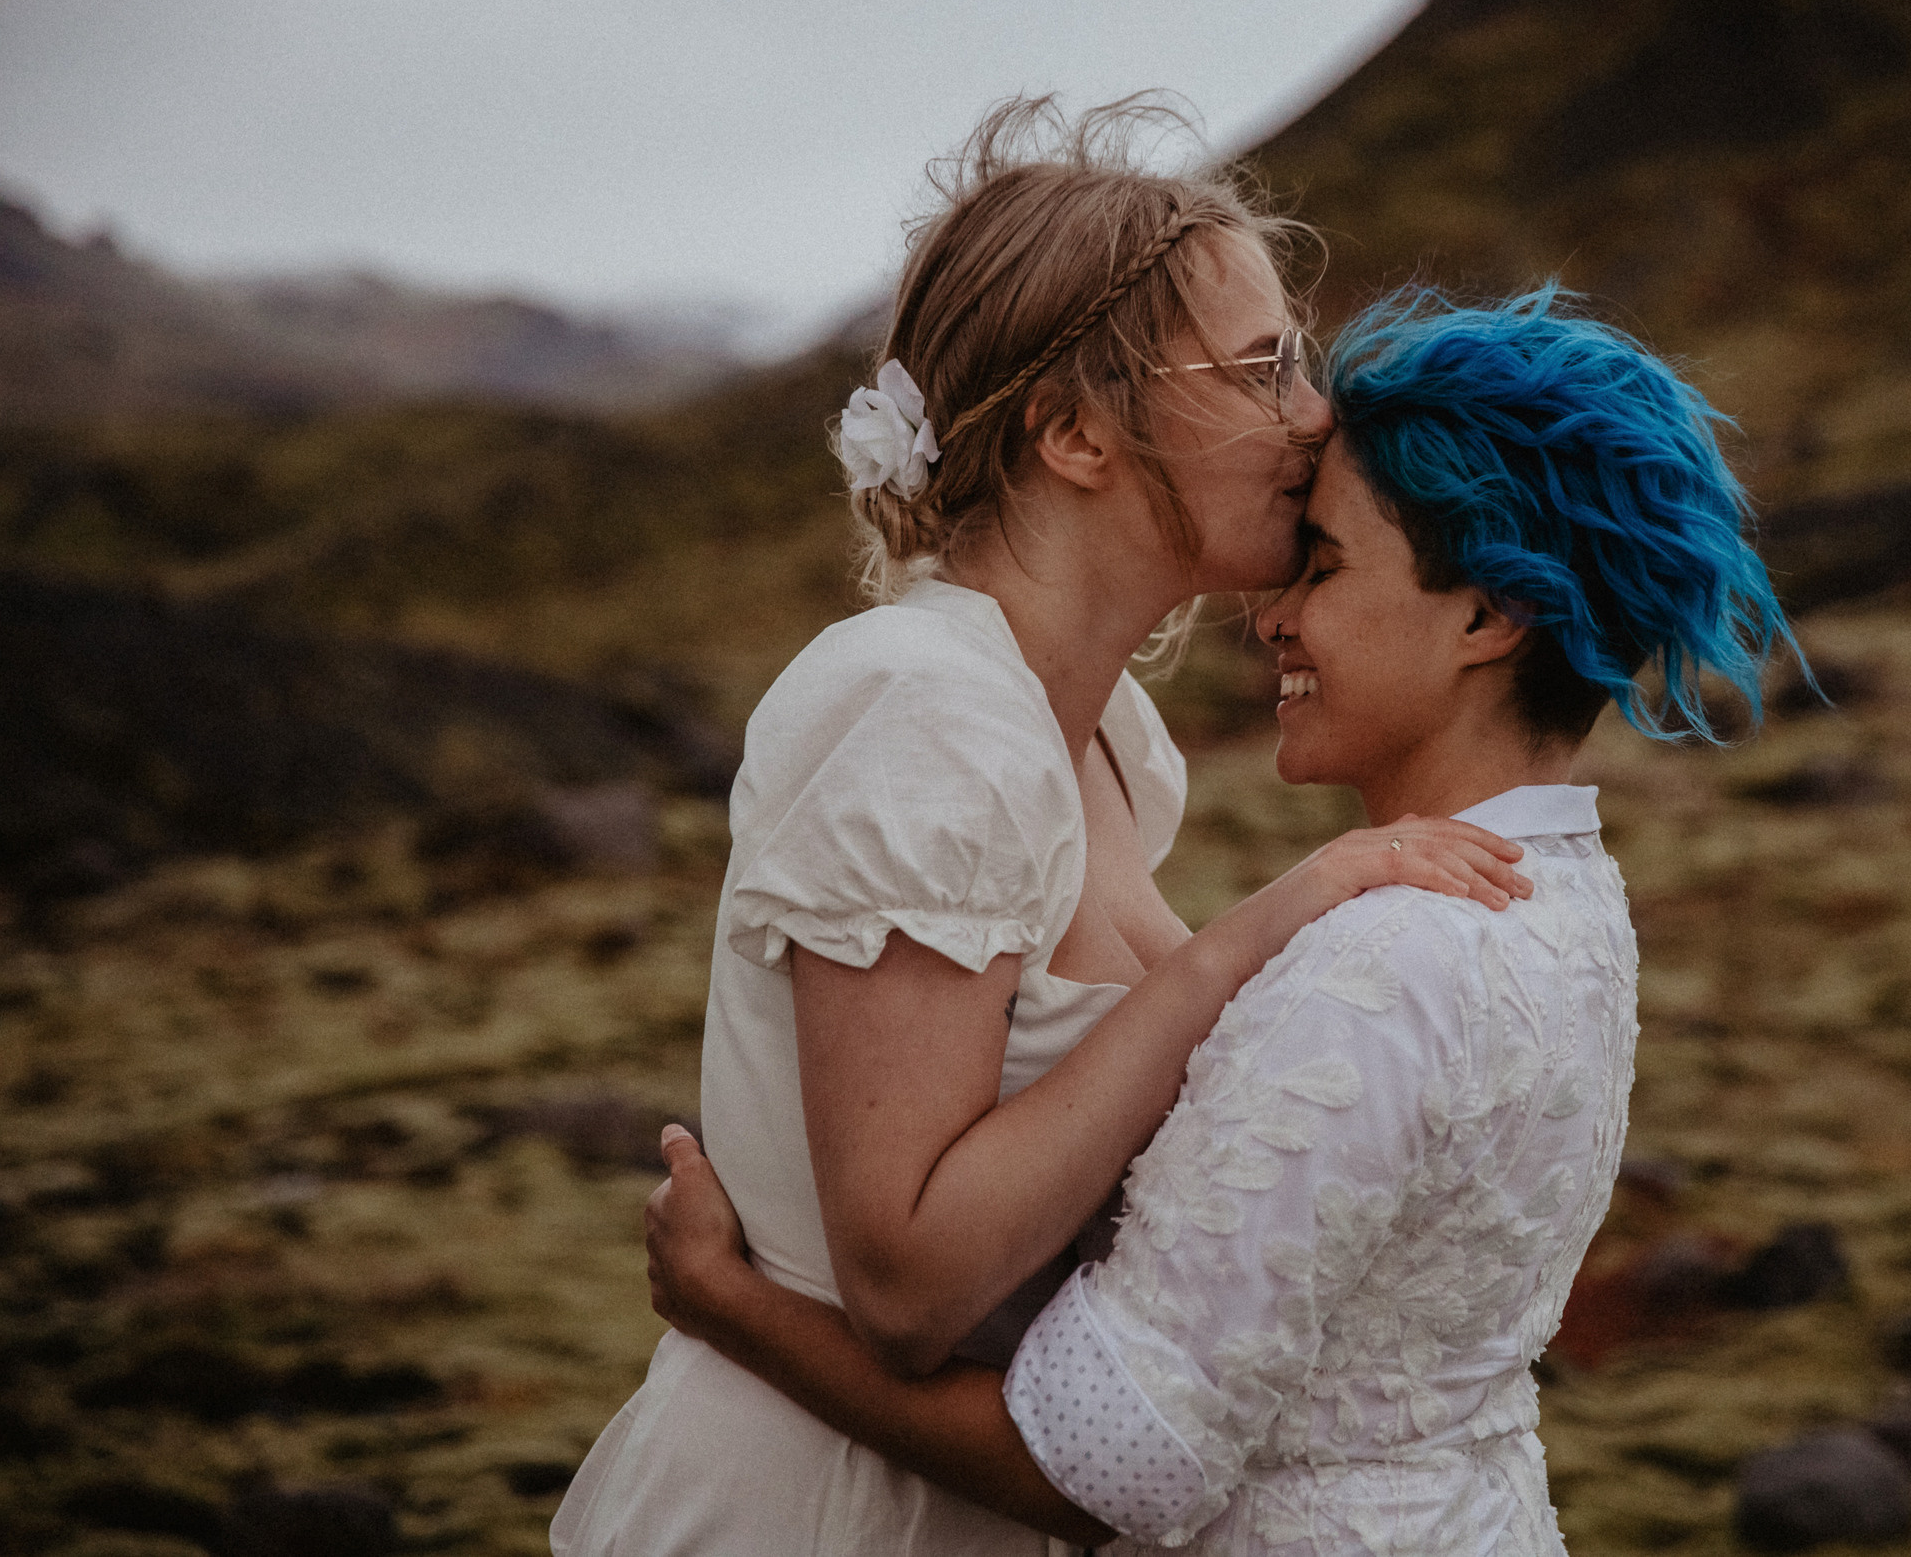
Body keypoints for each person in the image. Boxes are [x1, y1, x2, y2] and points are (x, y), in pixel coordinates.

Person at [640, 288, 1802, 1553]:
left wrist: (733, 1305)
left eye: (1327, 564)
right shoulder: (1572, 899)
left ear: (1484, 616)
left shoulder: (1381, 959)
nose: (1274, 613)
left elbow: (1104, 1468)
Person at [550, 102, 1532, 1557]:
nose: (1316, 415)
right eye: (1263, 368)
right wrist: (1256, 935)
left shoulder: (1111, 748)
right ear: (1075, 432)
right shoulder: (925, 713)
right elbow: (905, 1283)